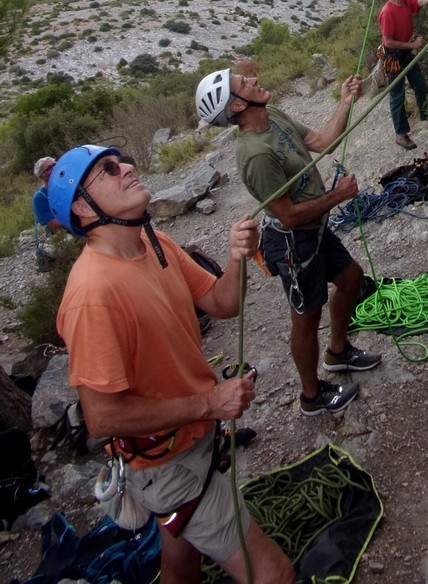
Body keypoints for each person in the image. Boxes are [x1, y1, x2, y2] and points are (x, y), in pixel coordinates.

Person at [51, 143, 295, 584]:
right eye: (108, 170)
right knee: (274, 573)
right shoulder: (92, 296)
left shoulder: (154, 242)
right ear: (83, 210)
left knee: (180, 553)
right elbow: (102, 417)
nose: (127, 166)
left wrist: (237, 259)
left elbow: (222, 304)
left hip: (193, 440)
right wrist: (209, 403)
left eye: (123, 159)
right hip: (166, 463)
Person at [195, 69, 381, 417]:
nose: (251, 79)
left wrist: (344, 102)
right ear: (237, 104)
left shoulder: (273, 116)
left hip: (315, 229)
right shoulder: (255, 155)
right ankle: (311, 396)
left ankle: (338, 352)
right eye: (242, 83)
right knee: (306, 318)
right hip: (294, 241)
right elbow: (289, 214)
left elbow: (323, 143)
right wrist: (337, 197)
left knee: (352, 279)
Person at [378, 0, 428, 150]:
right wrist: (412, 45)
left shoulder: (406, 1)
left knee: (420, 86)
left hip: (405, 54)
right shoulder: (387, 12)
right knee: (397, 95)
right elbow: (388, 42)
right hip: (394, 58)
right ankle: (401, 134)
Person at [32, 156, 59, 270]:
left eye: (55, 164)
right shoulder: (39, 198)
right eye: (49, 168)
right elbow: (55, 227)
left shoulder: (69, 186)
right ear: (41, 176)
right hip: (58, 238)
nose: (54, 168)